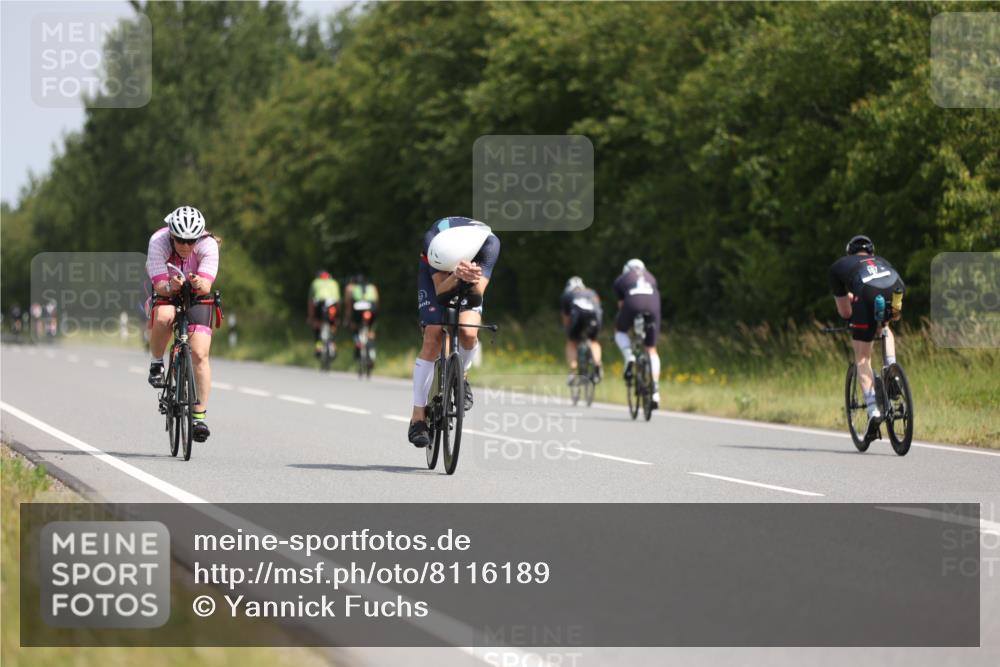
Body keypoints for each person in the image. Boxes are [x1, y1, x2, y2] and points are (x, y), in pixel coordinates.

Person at [408, 216, 500, 447]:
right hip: (435, 279)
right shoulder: (432, 243)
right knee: (434, 334)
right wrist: (455, 276)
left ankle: (463, 375)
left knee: (469, 332)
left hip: (469, 266)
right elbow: (440, 292)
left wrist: (469, 279)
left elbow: (476, 295)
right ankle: (418, 416)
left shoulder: (489, 245)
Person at [146, 205, 220, 442]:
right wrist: (171, 286)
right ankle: (157, 363)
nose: (186, 246)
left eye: (191, 241)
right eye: (180, 240)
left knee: (199, 353)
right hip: (167, 290)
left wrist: (198, 282)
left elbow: (207, 286)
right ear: (171, 234)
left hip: (196, 295)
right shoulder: (158, 241)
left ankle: (199, 417)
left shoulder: (208, 245)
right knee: (165, 316)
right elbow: (159, 285)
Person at [828, 234, 906, 442]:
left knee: (862, 358)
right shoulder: (882, 261)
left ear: (849, 252)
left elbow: (845, 313)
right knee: (887, 324)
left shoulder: (839, 266)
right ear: (871, 252)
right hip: (896, 288)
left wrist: (853, 303)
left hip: (865, 294)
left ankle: (873, 411)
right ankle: (892, 370)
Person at [613, 258, 663, 409]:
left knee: (619, 332)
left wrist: (624, 323)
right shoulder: (651, 276)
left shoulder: (621, 279)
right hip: (653, 304)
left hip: (633, 303)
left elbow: (622, 306)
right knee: (651, 348)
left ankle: (629, 356)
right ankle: (655, 391)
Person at [560, 276, 603, 383]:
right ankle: (597, 364)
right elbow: (599, 308)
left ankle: (573, 371)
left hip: (577, 317)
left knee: (572, 342)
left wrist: (568, 331)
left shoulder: (567, 295)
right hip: (595, 317)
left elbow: (566, 318)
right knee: (593, 341)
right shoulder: (591, 292)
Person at [344, 273, 380, 357]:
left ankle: (357, 343)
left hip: (357, 310)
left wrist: (347, 319)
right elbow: (377, 302)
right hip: (371, 309)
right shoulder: (372, 287)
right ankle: (371, 348)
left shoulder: (351, 288)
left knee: (354, 326)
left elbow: (348, 306)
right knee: (371, 330)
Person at [308, 270, 341, 358]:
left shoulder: (315, 282)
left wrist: (311, 317)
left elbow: (311, 302)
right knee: (333, 324)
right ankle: (333, 345)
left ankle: (318, 347)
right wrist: (337, 317)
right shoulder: (334, 282)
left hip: (320, 304)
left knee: (317, 324)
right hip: (332, 305)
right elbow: (338, 301)